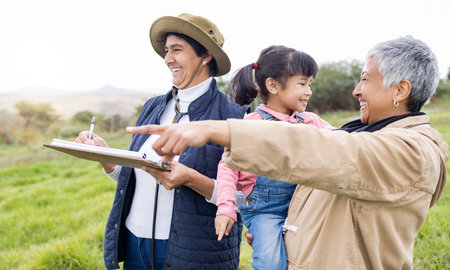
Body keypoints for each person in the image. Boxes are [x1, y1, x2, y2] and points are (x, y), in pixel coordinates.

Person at [126, 35, 449, 269]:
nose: (356, 90)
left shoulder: (412, 150)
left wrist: (218, 130)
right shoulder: (367, 133)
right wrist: (282, 228)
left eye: (365, 79)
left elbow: (318, 148)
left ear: (401, 90)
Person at [76, 13, 248, 270]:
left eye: (176, 50)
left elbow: (248, 198)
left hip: (194, 252)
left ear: (206, 56)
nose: (168, 59)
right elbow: (137, 174)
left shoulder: (236, 116)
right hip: (136, 243)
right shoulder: (154, 106)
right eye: (167, 51)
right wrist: (106, 157)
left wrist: (192, 179)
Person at [214, 45, 333, 270]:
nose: (309, 91)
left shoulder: (309, 122)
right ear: (273, 85)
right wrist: (225, 208)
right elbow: (227, 168)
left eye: (310, 84)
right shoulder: (252, 125)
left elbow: (345, 141)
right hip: (265, 210)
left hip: (304, 205)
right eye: (302, 83)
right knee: (270, 261)